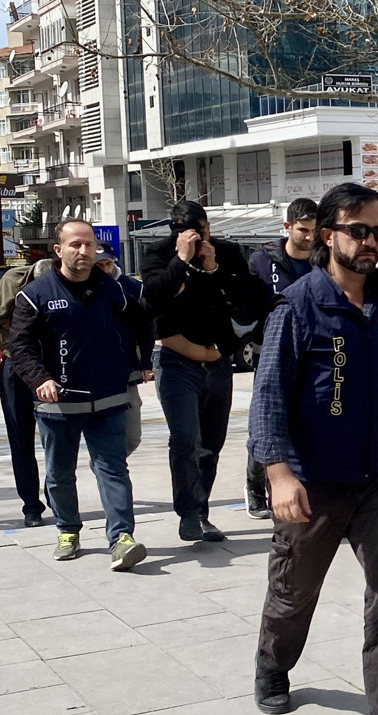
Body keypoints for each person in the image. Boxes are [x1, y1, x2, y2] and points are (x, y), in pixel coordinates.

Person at [248, 183, 378, 715]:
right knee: (294, 592)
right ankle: (273, 663)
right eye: (359, 231)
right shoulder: (298, 306)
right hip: (313, 483)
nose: (371, 241)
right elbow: (268, 395)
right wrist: (279, 475)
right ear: (328, 236)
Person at [7, 219, 151, 571]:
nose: (84, 251)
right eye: (76, 244)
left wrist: (140, 363)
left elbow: (143, 321)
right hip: (58, 404)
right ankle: (68, 530)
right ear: (59, 250)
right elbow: (20, 346)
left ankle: (121, 538)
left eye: (89, 244)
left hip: (109, 399)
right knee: (59, 473)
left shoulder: (112, 289)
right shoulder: (35, 295)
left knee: (113, 469)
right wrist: (40, 379)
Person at [143, 201, 267, 543]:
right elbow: (153, 297)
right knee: (185, 437)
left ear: (208, 227)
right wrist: (181, 261)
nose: (195, 238)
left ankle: (201, 513)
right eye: (184, 232)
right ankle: (188, 513)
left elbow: (249, 299)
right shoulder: (159, 254)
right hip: (176, 361)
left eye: (200, 231)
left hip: (218, 361)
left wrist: (213, 268)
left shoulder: (226, 252)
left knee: (211, 443)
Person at [242, 197, 318, 520]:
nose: (309, 237)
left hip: (314, 352)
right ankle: (255, 483)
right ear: (287, 227)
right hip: (272, 352)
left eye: (314, 230)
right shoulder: (262, 261)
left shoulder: (323, 260)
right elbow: (247, 307)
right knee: (269, 419)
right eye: (303, 230)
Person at [0, 259, 56, 527]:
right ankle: (31, 505)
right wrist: (23, 353)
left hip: (52, 365)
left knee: (58, 437)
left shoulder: (66, 280)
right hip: (16, 365)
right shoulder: (12, 280)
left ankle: (57, 496)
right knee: (20, 438)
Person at [95, 242, 153, 456]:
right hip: (95, 371)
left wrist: (145, 362)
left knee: (132, 437)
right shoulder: (83, 286)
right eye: (98, 265)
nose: (104, 269)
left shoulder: (133, 288)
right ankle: (107, 467)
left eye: (107, 264)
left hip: (127, 367)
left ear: (114, 262)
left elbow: (146, 327)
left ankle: (108, 465)